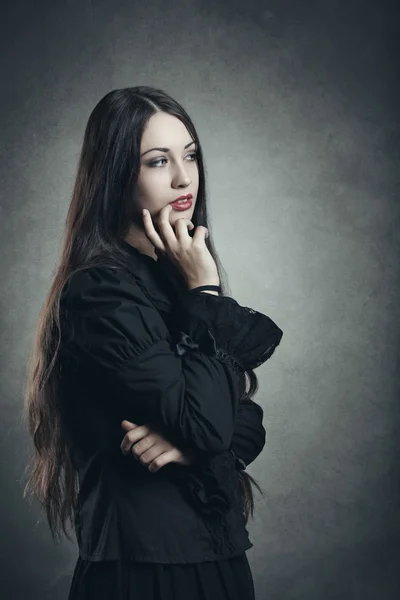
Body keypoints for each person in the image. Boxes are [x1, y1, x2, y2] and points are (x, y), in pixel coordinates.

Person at [22, 86, 284, 600]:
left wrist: (189, 445)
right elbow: (213, 424)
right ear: (117, 175)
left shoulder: (175, 280)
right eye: (158, 161)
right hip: (146, 569)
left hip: (216, 558)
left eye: (190, 155)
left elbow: (245, 423)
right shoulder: (100, 292)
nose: (184, 177)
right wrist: (205, 291)